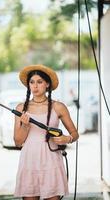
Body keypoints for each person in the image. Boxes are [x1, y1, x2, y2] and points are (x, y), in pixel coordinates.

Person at [14, 64, 79, 200]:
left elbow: (74, 134)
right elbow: (18, 142)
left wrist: (66, 139)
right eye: (32, 82)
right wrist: (25, 126)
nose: (35, 86)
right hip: (29, 160)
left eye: (39, 82)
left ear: (47, 84)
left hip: (51, 160)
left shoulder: (58, 107)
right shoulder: (21, 108)